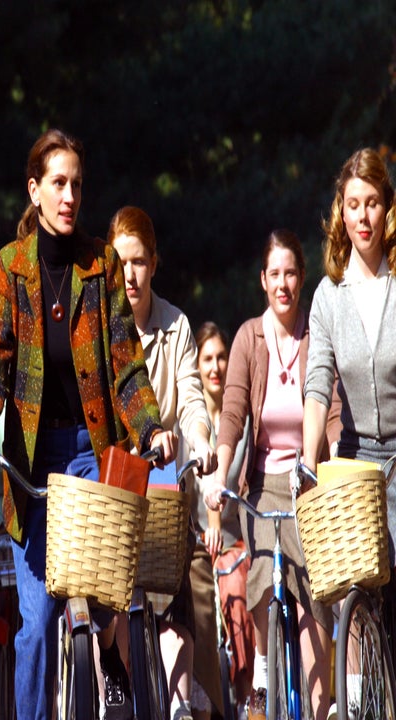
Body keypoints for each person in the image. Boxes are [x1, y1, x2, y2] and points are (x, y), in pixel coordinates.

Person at [0, 128, 177, 720]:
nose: (69, 196)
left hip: (89, 450)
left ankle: (106, 652)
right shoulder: (12, 267)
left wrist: (152, 428)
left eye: (77, 185)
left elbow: (127, 363)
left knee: (105, 588)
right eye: (58, 183)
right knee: (35, 627)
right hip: (32, 461)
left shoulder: (100, 265)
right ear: (35, 190)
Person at [204, 230, 334, 720]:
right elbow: (232, 413)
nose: (283, 284)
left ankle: (322, 706)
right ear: (263, 279)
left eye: (291, 274)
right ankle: (260, 673)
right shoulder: (247, 338)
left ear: (302, 278)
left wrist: (329, 464)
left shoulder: (314, 332)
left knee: (312, 608)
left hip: (310, 479)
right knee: (261, 576)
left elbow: (333, 410)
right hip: (261, 485)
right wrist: (219, 472)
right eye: (274, 274)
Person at [107, 205, 217, 720]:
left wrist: (200, 439)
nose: (130, 274)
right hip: (116, 492)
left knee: (182, 581)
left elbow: (193, 399)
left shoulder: (176, 326)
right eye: (120, 262)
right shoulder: (103, 327)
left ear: (154, 264)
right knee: (107, 594)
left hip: (168, 494)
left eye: (139, 262)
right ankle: (116, 685)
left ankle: (180, 702)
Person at [300, 148, 396, 717]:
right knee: (364, 605)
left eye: (374, 204)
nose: (363, 217)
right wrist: (309, 461)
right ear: (342, 212)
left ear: (388, 211)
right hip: (356, 465)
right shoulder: (328, 297)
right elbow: (317, 388)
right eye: (353, 205)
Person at [195, 321, 254, 718]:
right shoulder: (194, 426)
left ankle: (250, 694)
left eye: (222, 357)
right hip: (200, 541)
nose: (216, 367)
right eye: (208, 359)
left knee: (241, 582)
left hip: (237, 542)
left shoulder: (242, 424)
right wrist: (209, 528)